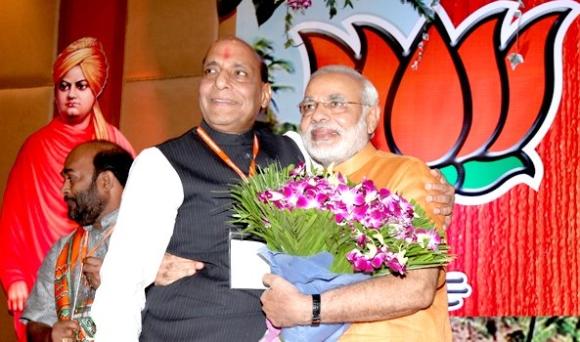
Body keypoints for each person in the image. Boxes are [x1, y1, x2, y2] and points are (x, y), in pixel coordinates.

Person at [93, 38, 453, 341]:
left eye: (239, 73)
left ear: (264, 95)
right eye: (211, 71)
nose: (221, 83)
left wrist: (306, 309)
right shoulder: (162, 162)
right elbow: (120, 284)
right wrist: (148, 262)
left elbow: (418, 282)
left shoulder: (297, 155)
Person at [260, 65, 452, 341]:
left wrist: (309, 308)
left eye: (336, 103)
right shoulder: (297, 193)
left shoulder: (407, 174)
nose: (318, 115)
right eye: (308, 106)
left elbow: (417, 287)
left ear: (371, 117)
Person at [0, 37, 134, 340]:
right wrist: (15, 277)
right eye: (64, 86)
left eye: (80, 85)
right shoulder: (35, 147)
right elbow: (13, 219)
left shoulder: (113, 145)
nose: (71, 94)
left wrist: (118, 276)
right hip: (46, 263)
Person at [21, 141, 133, 342]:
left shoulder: (150, 238)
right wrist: (49, 336)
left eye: (71, 179)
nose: (64, 190)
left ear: (106, 181)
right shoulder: (63, 248)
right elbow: (37, 321)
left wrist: (118, 286)